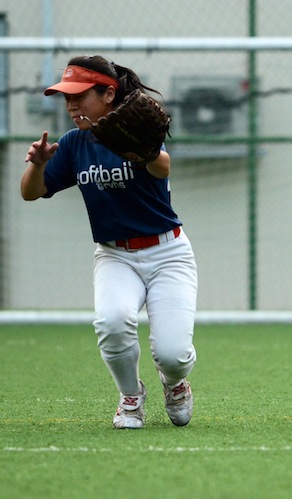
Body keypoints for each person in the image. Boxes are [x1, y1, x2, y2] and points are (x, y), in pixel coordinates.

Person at [21, 55, 198, 429]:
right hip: (115, 255)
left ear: (108, 93)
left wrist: (145, 150)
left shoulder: (136, 134)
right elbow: (30, 193)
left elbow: (161, 166)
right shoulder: (73, 144)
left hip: (167, 252)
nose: (70, 105)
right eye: (65, 97)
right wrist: (37, 164)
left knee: (173, 355)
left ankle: (175, 382)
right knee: (112, 322)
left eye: (80, 95)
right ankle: (131, 396)